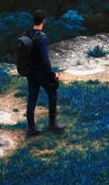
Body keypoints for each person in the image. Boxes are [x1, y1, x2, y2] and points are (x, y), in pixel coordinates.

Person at [23, 9, 64, 137]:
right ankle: (52, 124)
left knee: (32, 98)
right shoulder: (42, 37)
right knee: (52, 93)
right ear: (44, 20)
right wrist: (52, 74)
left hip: (30, 71)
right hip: (41, 72)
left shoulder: (27, 33)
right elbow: (45, 60)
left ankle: (31, 128)